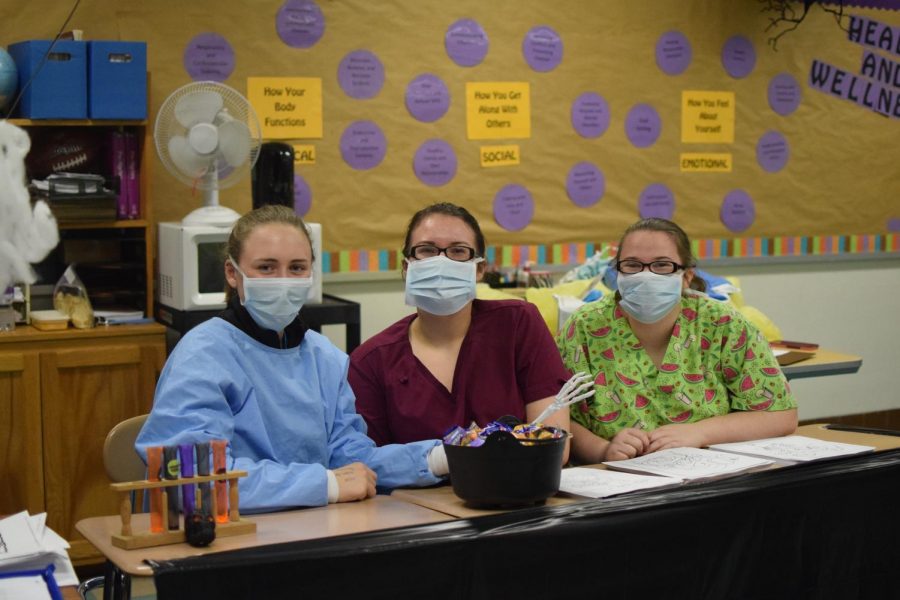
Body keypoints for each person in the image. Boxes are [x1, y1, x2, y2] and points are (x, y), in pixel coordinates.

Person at [136, 205, 446, 513]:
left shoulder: (324, 357)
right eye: (267, 268)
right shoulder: (203, 355)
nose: (282, 280)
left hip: (312, 528)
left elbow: (351, 458)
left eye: (297, 268)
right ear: (233, 273)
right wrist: (323, 484)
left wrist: (436, 458)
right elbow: (190, 478)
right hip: (224, 540)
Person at [557, 217, 797, 463]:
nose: (646, 276)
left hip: (709, 476)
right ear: (617, 272)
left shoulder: (724, 325)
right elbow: (555, 416)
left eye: (662, 265)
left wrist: (699, 433)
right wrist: (602, 450)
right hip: (614, 481)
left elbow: (779, 414)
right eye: (632, 265)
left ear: (686, 276)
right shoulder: (585, 327)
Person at [349, 202, 573, 459]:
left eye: (458, 251)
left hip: (517, 493)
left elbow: (554, 449)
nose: (441, 261)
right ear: (406, 267)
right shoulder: (371, 362)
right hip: (411, 499)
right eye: (427, 250)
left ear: (479, 269)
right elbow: (366, 466)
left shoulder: (519, 324)